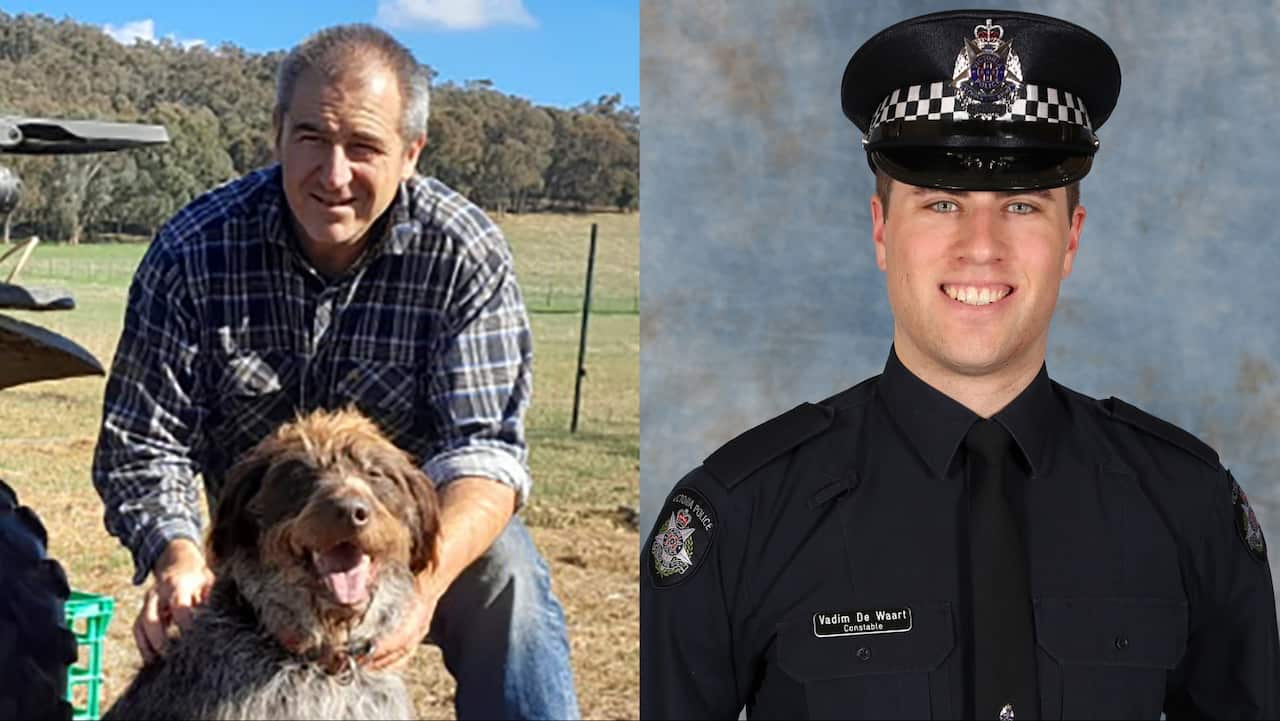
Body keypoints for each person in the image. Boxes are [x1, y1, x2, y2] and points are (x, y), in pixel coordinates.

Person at [640, 9, 1279, 720]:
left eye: (1023, 207)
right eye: (942, 202)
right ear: (882, 231)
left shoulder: (1189, 507)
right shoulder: (741, 515)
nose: (981, 247)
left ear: (1072, 238)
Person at [92, 23, 579, 720]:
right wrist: (176, 555)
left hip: (407, 541)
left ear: (411, 153)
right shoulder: (193, 250)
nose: (334, 174)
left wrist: (426, 589)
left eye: (365, 147)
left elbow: (485, 452)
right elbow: (144, 441)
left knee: (509, 580)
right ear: (277, 133)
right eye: (313, 139)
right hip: (261, 538)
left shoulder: (461, 252)